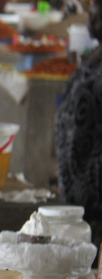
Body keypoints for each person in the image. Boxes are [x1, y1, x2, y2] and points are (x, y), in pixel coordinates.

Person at [56, 0, 102, 242]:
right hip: (78, 187)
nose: (91, 22)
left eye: (98, 16)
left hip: (96, 188)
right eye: (92, 15)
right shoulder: (92, 55)